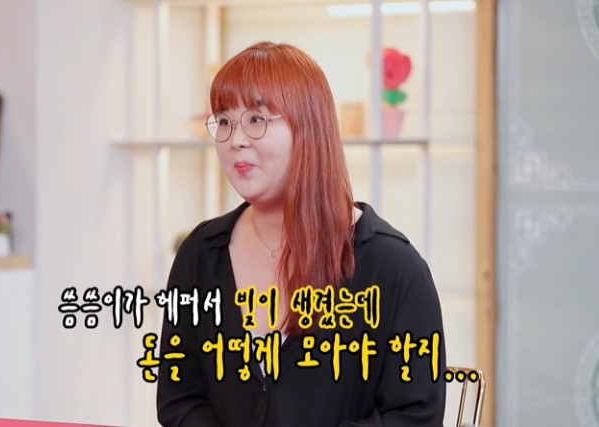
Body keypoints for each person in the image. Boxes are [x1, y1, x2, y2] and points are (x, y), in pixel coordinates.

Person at [156, 41, 445, 427]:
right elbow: (179, 399)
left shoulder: (393, 267)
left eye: (256, 119)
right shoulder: (201, 255)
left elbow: (415, 416)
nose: (235, 139)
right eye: (223, 122)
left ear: (308, 128)